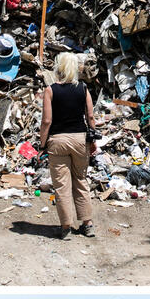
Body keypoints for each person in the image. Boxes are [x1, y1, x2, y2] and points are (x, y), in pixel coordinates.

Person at [40, 52, 97, 240]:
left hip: (57, 141)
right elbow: (90, 117)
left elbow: (47, 121)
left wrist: (42, 144)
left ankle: (66, 227)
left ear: (59, 67)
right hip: (80, 139)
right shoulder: (83, 88)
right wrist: (93, 140)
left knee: (61, 185)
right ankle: (87, 224)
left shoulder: (50, 90)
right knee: (81, 180)